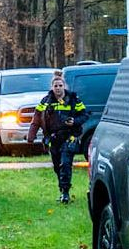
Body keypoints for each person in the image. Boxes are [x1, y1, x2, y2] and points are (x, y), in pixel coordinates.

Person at [25, 70, 87, 204]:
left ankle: (65, 193)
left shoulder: (73, 99)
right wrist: (31, 136)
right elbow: (36, 119)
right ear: (52, 87)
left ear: (64, 86)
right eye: (55, 86)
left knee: (65, 163)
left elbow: (84, 115)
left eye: (60, 86)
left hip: (69, 137)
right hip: (53, 139)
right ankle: (61, 189)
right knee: (57, 166)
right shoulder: (46, 101)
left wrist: (74, 121)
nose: (58, 88)